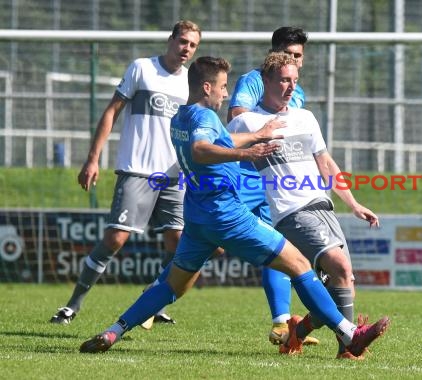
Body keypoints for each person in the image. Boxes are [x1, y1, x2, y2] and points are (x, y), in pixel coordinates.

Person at [78, 56, 390, 360]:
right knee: (299, 266)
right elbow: (202, 149)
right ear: (206, 88)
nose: (227, 94)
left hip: (197, 217)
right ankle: (350, 334)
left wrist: (256, 135)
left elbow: (220, 138)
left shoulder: (180, 117)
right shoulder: (204, 118)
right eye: (223, 87)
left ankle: (114, 330)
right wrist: (249, 152)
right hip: (225, 214)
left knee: (173, 284)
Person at [228, 52, 387, 359]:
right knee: (339, 267)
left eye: (295, 81)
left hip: (323, 208)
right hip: (291, 213)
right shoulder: (248, 122)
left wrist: (353, 203)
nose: (290, 87)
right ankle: (349, 345)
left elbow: (325, 162)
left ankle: (296, 333)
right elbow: (217, 149)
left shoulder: (306, 117)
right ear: (266, 82)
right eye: (284, 80)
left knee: (343, 280)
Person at [50, 20, 202, 326]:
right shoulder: (142, 69)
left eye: (193, 45)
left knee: (178, 241)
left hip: (174, 176)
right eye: (183, 41)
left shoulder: (190, 83)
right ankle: (72, 305)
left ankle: (154, 302)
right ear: (171, 39)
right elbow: (111, 111)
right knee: (116, 239)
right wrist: (93, 159)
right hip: (138, 170)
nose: (186, 49)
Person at [226, 26, 316, 346]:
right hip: (242, 176)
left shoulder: (297, 91)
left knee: (279, 247)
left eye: (299, 57)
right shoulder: (254, 80)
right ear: (273, 54)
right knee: (205, 246)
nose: (294, 61)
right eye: (289, 54)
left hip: (272, 182)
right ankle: (154, 295)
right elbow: (237, 115)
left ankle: (282, 324)